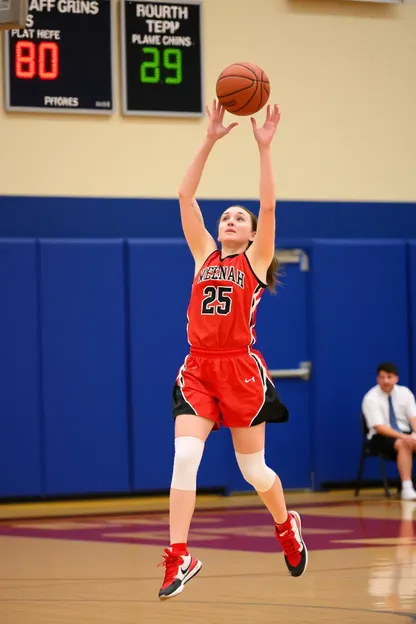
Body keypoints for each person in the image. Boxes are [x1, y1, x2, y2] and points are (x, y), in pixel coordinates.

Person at [158, 100, 308, 600]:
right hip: (198, 369)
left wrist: (263, 147)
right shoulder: (202, 253)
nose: (230, 220)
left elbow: (267, 206)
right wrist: (209, 138)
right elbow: (183, 194)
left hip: (240, 371)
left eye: (237, 218)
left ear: (248, 234)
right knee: (184, 456)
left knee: (253, 471)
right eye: (226, 216)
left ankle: (286, 526)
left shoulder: (256, 262)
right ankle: (179, 556)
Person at [362, 362, 416, 501]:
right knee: (404, 443)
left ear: (396, 378)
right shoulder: (370, 398)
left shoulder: (405, 393)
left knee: (407, 441)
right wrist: (405, 437)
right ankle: (407, 487)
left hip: (405, 432)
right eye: (382, 377)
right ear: (377, 379)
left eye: (389, 377)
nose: (385, 380)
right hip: (380, 438)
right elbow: (380, 428)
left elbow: (413, 418)